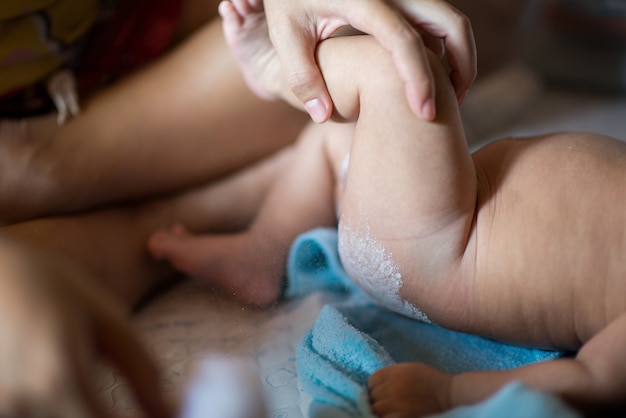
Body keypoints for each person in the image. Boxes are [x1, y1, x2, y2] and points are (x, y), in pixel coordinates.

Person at [0, 0, 478, 417]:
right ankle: (246, 195)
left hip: (146, 51)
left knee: (381, 47)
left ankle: (64, 173)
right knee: (387, 67)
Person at [148, 1, 626, 416]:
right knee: (337, 138)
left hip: (447, 244)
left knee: (398, 74)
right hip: (453, 206)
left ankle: (277, 72)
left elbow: (593, 382)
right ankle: (264, 250)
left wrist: (450, 392)